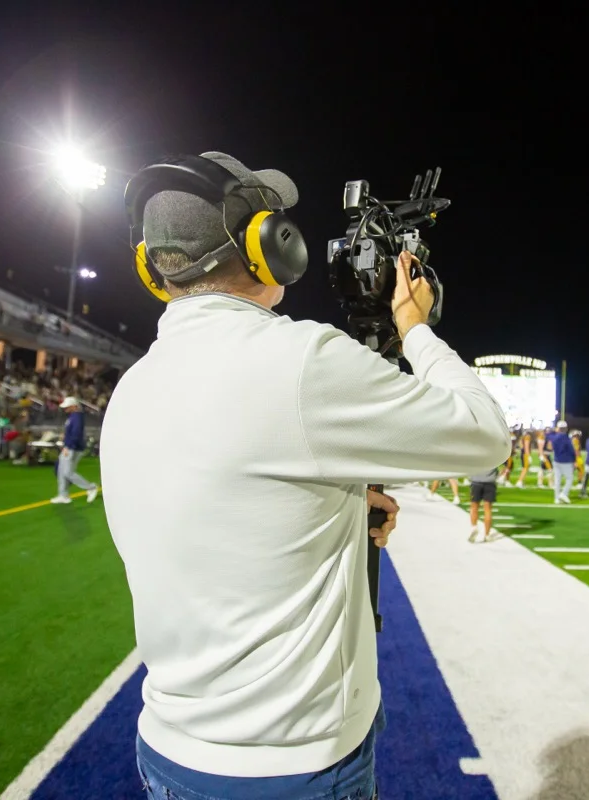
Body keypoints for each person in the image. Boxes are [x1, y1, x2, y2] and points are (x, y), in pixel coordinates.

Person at [101, 152, 509, 799]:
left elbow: (223, 503)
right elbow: (485, 435)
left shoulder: (132, 386)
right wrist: (414, 329)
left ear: (152, 267)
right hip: (292, 764)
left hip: (168, 749)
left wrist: (334, 504)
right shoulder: (300, 360)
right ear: (270, 246)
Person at [52, 396, 99, 505]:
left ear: (74, 406)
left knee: (67, 472)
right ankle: (63, 495)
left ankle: (91, 487)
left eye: (68, 406)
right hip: (70, 447)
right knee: (61, 471)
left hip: (72, 448)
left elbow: (76, 434)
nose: (65, 408)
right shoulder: (74, 417)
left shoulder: (77, 417)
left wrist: (68, 446)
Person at [468, 464, 501, 543]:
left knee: (474, 507)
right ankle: (487, 535)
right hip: (490, 482)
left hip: (476, 481)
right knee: (488, 509)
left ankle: (474, 527)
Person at [549, 420, 577, 504]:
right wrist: (574, 460)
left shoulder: (554, 437)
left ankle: (556, 498)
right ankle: (564, 494)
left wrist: (554, 431)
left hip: (556, 460)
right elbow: (571, 450)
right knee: (570, 479)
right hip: (566, 461)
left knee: (557, 480)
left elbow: (548, 436)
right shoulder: (566, 438)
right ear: (565, 428)